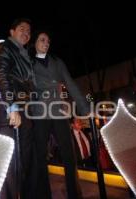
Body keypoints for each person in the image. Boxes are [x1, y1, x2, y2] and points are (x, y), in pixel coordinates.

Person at [29, 30, 90, 199]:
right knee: (40, 157)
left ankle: (74, 194)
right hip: (39, 113)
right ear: (35, 43)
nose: (46, 43)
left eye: (48, 41)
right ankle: (43, 195)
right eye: (42, 40)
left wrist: (84, 108)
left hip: (58, 112)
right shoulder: (28, 63)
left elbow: (69, 83)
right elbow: (28, 86)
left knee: (69, 156)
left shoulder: (57, 62)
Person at [0, 18, 35, 199]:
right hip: (8, 108)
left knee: (21, 163)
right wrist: (11, 106)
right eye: (22, 29)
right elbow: (1, 75)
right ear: (12, 32)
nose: (26, 33)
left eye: (29, 31)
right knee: (10, 163)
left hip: (22, 109)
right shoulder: (4, 48)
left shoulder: (23, 54)